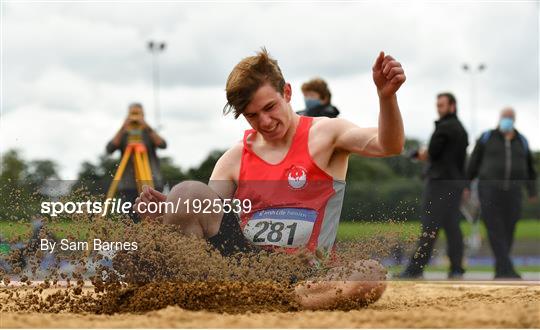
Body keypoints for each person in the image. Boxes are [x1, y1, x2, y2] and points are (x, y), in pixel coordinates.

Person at [135, 48, 406, 309]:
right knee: (186, 195)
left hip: (309, 276)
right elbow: (205, 221)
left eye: (270, 107)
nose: (264, 121)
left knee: (371, 273)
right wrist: (168, 216)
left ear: (286, 92)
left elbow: (388, 145)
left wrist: (387, 97)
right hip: (245, 272)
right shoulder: (234, 158)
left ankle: (275, 300)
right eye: (252, 115)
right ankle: (199, 294)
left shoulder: (326, 134)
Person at [400, 93, 468, 279]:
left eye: (442, 105)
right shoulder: (462, 130)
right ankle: (456, 269)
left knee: (429, 227)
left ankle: (415, 270)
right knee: (453, 227)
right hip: (455, 185)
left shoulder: (444, 128)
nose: (438, 108)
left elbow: (432, 154)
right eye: (437, 105)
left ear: (452, 106)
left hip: (438, 184)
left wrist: (415, 154)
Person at [466, 107, 537, 279]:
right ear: (499, 118)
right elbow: (473, 162)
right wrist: (466, 185)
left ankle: (501, 269)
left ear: (515, 119)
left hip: (514, 191)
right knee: (494, 228)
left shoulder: (522, 141)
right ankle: (508, 269)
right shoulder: (487, 137)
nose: (507, 119)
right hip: (489, 190)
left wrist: (532, 191)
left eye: (510, 117)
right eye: (505, 116)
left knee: (509, 228)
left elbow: (529, 168)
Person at [106, 103, 167, 206]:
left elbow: (162, 144)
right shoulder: (124, 134)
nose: (135, 117)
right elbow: (110, 148)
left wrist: (146, 126)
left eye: (138, 113)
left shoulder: (149, 133)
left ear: (143, 115)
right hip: (128, 184)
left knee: (153, 214)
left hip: (151, 181)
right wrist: (123, 127)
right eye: (132, 113)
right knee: (129, 216)